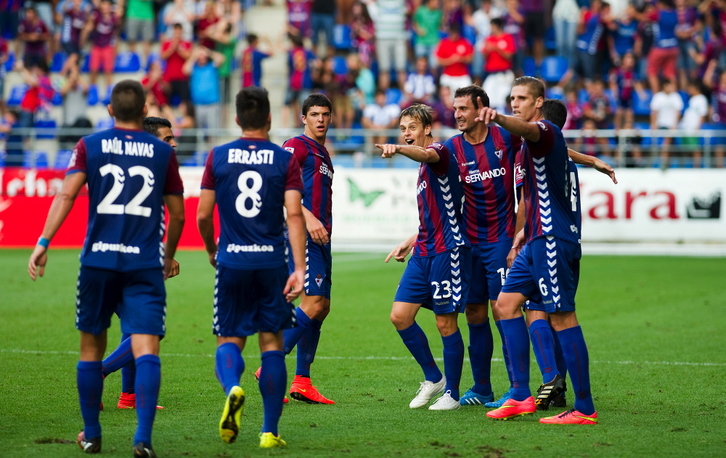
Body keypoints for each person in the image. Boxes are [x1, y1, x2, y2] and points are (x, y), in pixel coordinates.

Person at [27, 80, 185, 455]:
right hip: (144, 263)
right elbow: (177, 214)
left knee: (90, 349)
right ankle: (143, 438)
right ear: (144, 111)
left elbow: (66, 193)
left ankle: (92, 434)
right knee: (147, 347)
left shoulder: (89, 145)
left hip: (97, 260)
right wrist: (167, 254)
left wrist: (43, 242)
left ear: (110, 111)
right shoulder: (163, 153)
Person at [480, 76, 598, 425]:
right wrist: (519, 235)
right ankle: (520, 395)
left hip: (551, 241)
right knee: (504, 305)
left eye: (521, 99)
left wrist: (497, 117)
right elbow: (531, 195)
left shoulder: (543, 130)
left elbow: (525, 129)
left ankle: (584, 407)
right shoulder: (535, 143)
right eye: (511, 98)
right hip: (533, 240)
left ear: (538, 103)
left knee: (562, 317)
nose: (515, 103)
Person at [196, 86, 307, 449]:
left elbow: (202, 214)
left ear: (237, 119)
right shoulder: (284, 159)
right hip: (272, 262)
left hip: (232, 260)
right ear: (270, 119)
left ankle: (233, 388)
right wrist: (300, 268)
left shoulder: (218, 156)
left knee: (229, 340)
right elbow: (294, 214)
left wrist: (214, 249)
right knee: (272, 343)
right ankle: (269, 433)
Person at [378, 103, 470, 410]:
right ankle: (434, 377)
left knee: (445, 323)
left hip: (447, 251)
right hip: (424, 249)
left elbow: (426, 154)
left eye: (412, 128)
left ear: (427, 129)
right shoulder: (421, 168)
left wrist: (399, 150)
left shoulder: (439, 153)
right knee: (400, 316)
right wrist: (410, 240)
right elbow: (436, 214)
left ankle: (453, 394)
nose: (406, 133)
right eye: (402, 129)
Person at [98, 116, 181, 411]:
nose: (174, 143)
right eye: (167, 139)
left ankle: (129, 395)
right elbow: (172, 217)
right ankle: (99, 371)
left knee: (132, 325)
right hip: (128, 262)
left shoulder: (127, 166)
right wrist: (163, 256)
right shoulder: (154, 171)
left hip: (107, 258)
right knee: (147, 329)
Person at [276, 93, 336, 404]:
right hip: (303, 234)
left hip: (321, 238)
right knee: (312, 303)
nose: (321, 119)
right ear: (304, 118)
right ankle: (271, 365)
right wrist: (308, 217)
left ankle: (301, 381)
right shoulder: (296, 146)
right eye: (314, 114)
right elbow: (278, 183)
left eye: (325, 114)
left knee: (321, 307)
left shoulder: (324, 154)